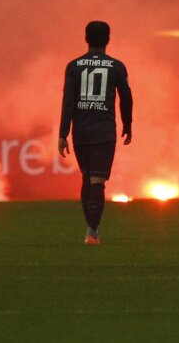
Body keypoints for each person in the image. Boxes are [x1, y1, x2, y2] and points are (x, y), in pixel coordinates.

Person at [58, 20, 133, 245]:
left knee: (87, 177)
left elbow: (68, 101)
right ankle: (92, 231)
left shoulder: (73, 66)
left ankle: (91, 228)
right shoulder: (117, 66)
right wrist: (128, 124)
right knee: (98, 181)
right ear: (108, 39)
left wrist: (63, 133)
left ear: (86, 39)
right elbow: (126, 98)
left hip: (81, 131)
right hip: (104, 131)